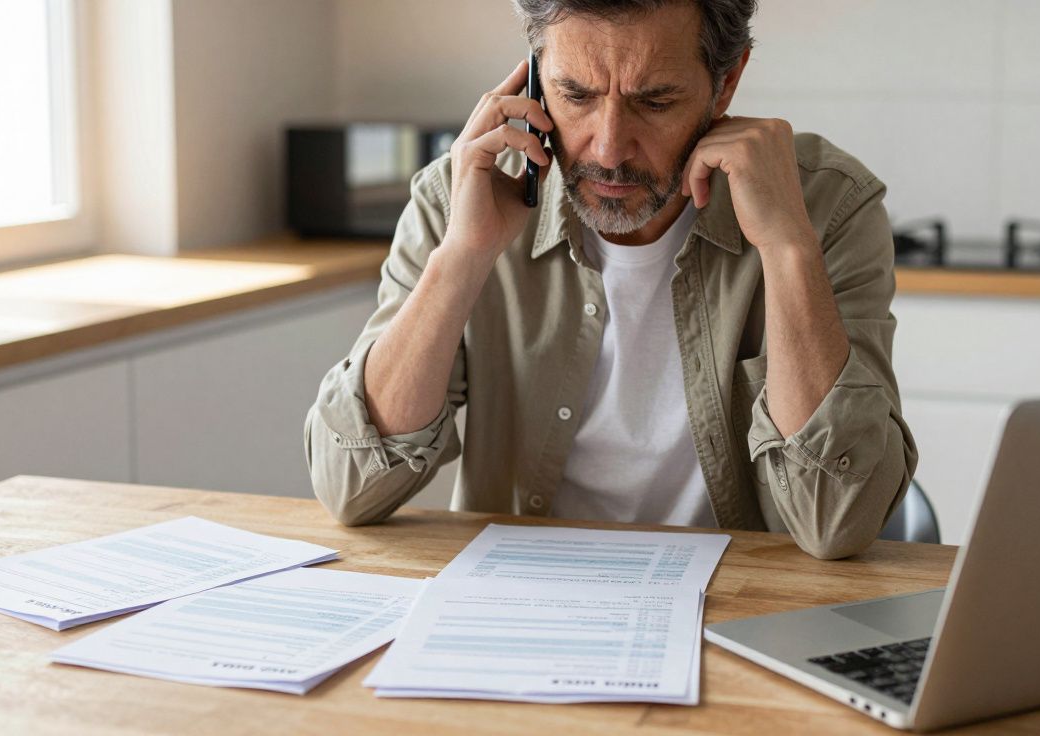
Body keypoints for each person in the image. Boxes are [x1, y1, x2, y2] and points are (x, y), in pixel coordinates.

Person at [304, 0, 918, 559]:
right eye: (575, 95)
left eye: (655, 102)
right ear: (534, 75)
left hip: (747, 609)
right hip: (517, 600)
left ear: (727, 81)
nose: (609, 149)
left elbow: (837, 521)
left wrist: (786, 248)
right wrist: (463, 254)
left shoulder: (825, 205)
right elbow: (350, 488)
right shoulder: (461, 196)